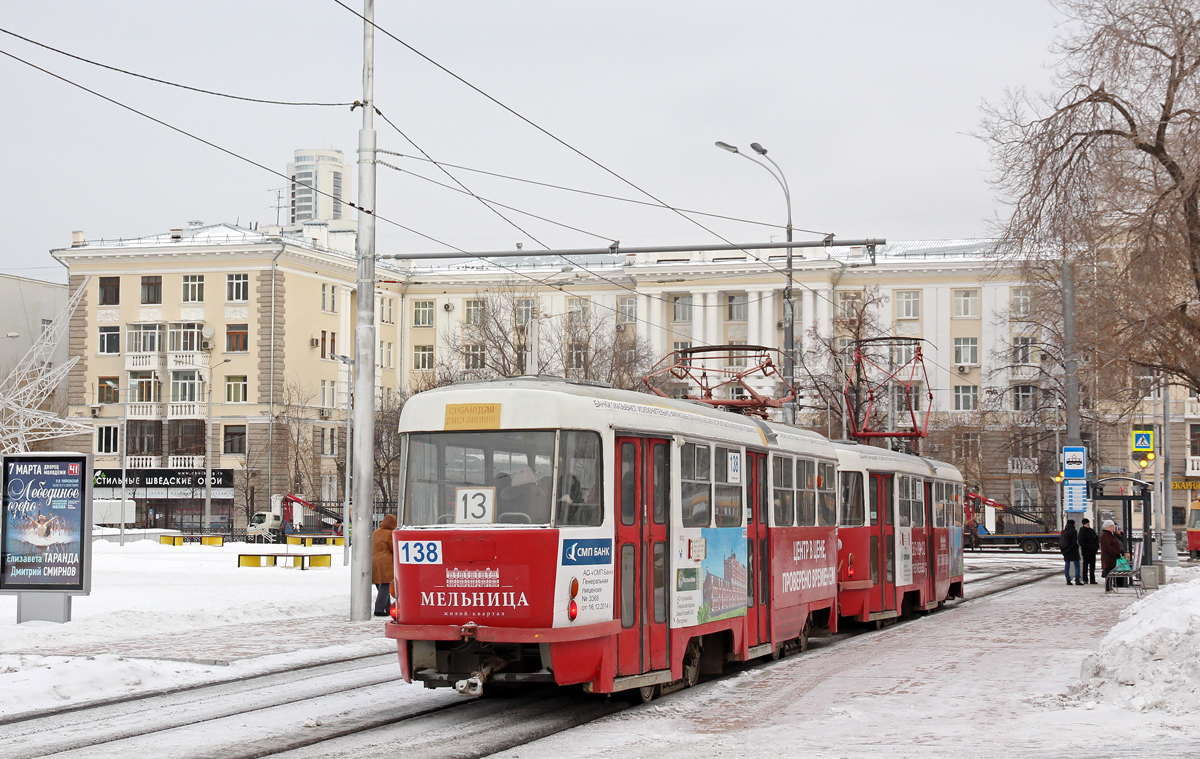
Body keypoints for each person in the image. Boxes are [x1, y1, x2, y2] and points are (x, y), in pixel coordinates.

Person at [372, 514, 398, 617]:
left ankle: (387, 608)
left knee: (381, 585)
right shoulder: (390, 534)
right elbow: (394, 548)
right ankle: (379, 609)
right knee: (386, 585)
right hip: (386, 562)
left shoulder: (376, 532)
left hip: (374, 561)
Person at [1100, 519, 1125, 593]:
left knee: (1111, 573)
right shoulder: (1105, 535)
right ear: (1106, 527)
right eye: (1110, 526)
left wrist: (1120, 551)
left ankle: (1110, 587)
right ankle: (1108, 588)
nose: (1112, 528)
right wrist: (1116, 553)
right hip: (1108, 558)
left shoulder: (1111, 535)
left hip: (1112, 558)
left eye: (1113, 526)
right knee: (1108, 573)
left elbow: (1115, 545)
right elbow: (1107, 547)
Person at [1059, 518, 1082, 585]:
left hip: (1066, 551)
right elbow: (1074, 542)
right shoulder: (1074, 531)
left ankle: (1068, 580)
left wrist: (1064, 551)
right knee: (1077, 565)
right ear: (1073, 524)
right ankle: (1077, 579)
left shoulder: (1064, 532)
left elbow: (1061, 542)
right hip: (1073, 551)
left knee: (1067, 566)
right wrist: (1070, 549)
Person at [1078, 517, 1100, 585]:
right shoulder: (1082, 531)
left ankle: (1092, 579)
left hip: (1092, 551)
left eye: (1088, 523)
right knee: (1086, 565)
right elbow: (1081, 541)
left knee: (1092, 566)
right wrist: (1088, 547)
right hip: (1086, 551)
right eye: (1087, 523)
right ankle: (1085, 579)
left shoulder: (1091, 530)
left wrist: (1096, 547)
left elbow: (1096, 539)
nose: (1088, 524)